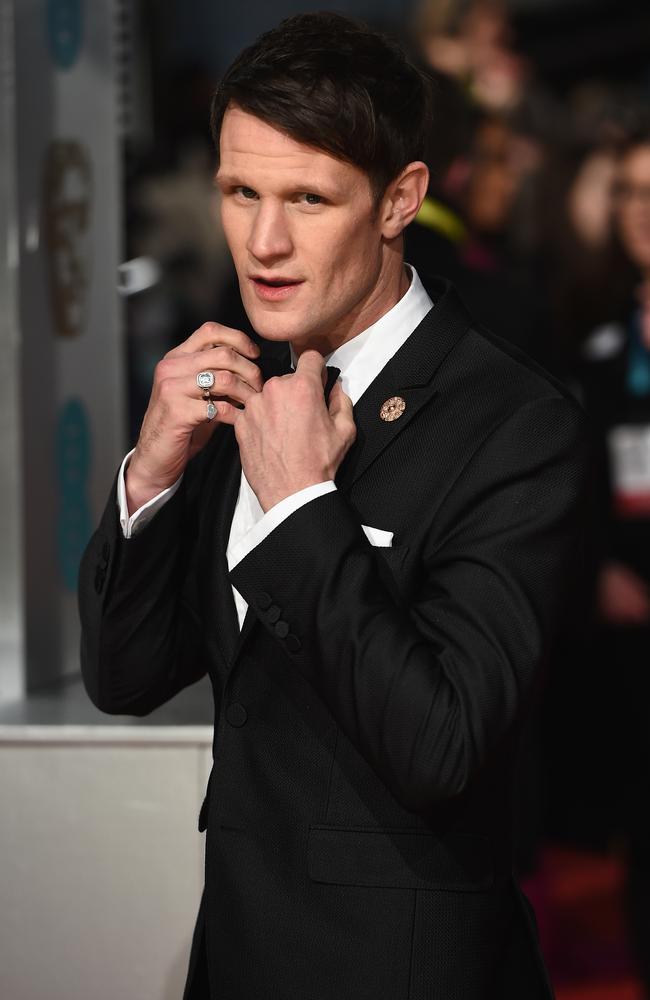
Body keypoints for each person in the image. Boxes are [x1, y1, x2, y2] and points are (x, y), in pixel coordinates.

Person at [78, 13, 588, 999]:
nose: (263, 242)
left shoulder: (514, 425)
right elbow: (127, 674)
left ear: (398, 200)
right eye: (240, 192)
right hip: (233, 958)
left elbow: (441, 745)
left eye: (307, 198)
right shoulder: (241, 386)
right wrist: (151, 471)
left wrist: (304, 503)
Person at [579, 124, 650, 997]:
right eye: (631, 192)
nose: (644, 212)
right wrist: (593, 568)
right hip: (631, 638)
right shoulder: (595, 351)